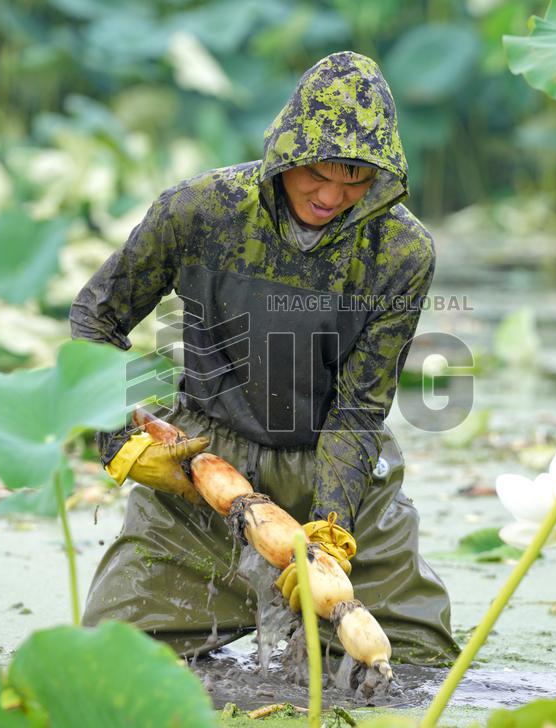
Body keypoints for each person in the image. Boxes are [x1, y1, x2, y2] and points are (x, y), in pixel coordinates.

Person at [70, 51, 459, 665]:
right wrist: (119, 440)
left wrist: (331, 531)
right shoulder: (197, 211)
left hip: (336, 466)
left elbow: (359, 408)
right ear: (285, 157)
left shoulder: (402, 250)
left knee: (414, 663)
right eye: (318, 174)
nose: (333, 196)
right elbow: (97, 317)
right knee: (108, 664)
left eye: (355, 178)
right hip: (203, 468)